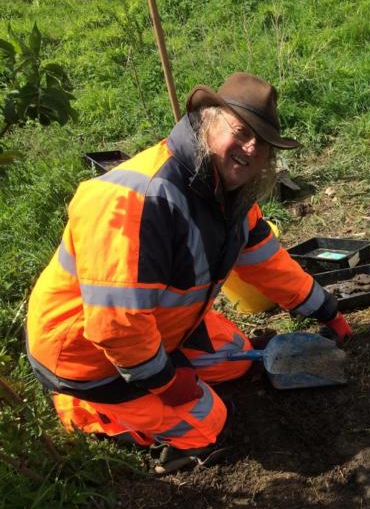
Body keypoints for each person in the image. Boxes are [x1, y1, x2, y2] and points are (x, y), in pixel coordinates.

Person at [25, 72, 352, 474]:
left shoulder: (228, 196)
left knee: (237, 358)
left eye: (263, 144)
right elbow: (117, 326)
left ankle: (155, 371)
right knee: (204, 422)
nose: (252, 149)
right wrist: (166, 382)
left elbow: (269, 264)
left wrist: (328, 312)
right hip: (84, 354)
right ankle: (85, 408)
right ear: (206, 121)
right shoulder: (138, 201)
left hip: (159, 327)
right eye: (241, 132)